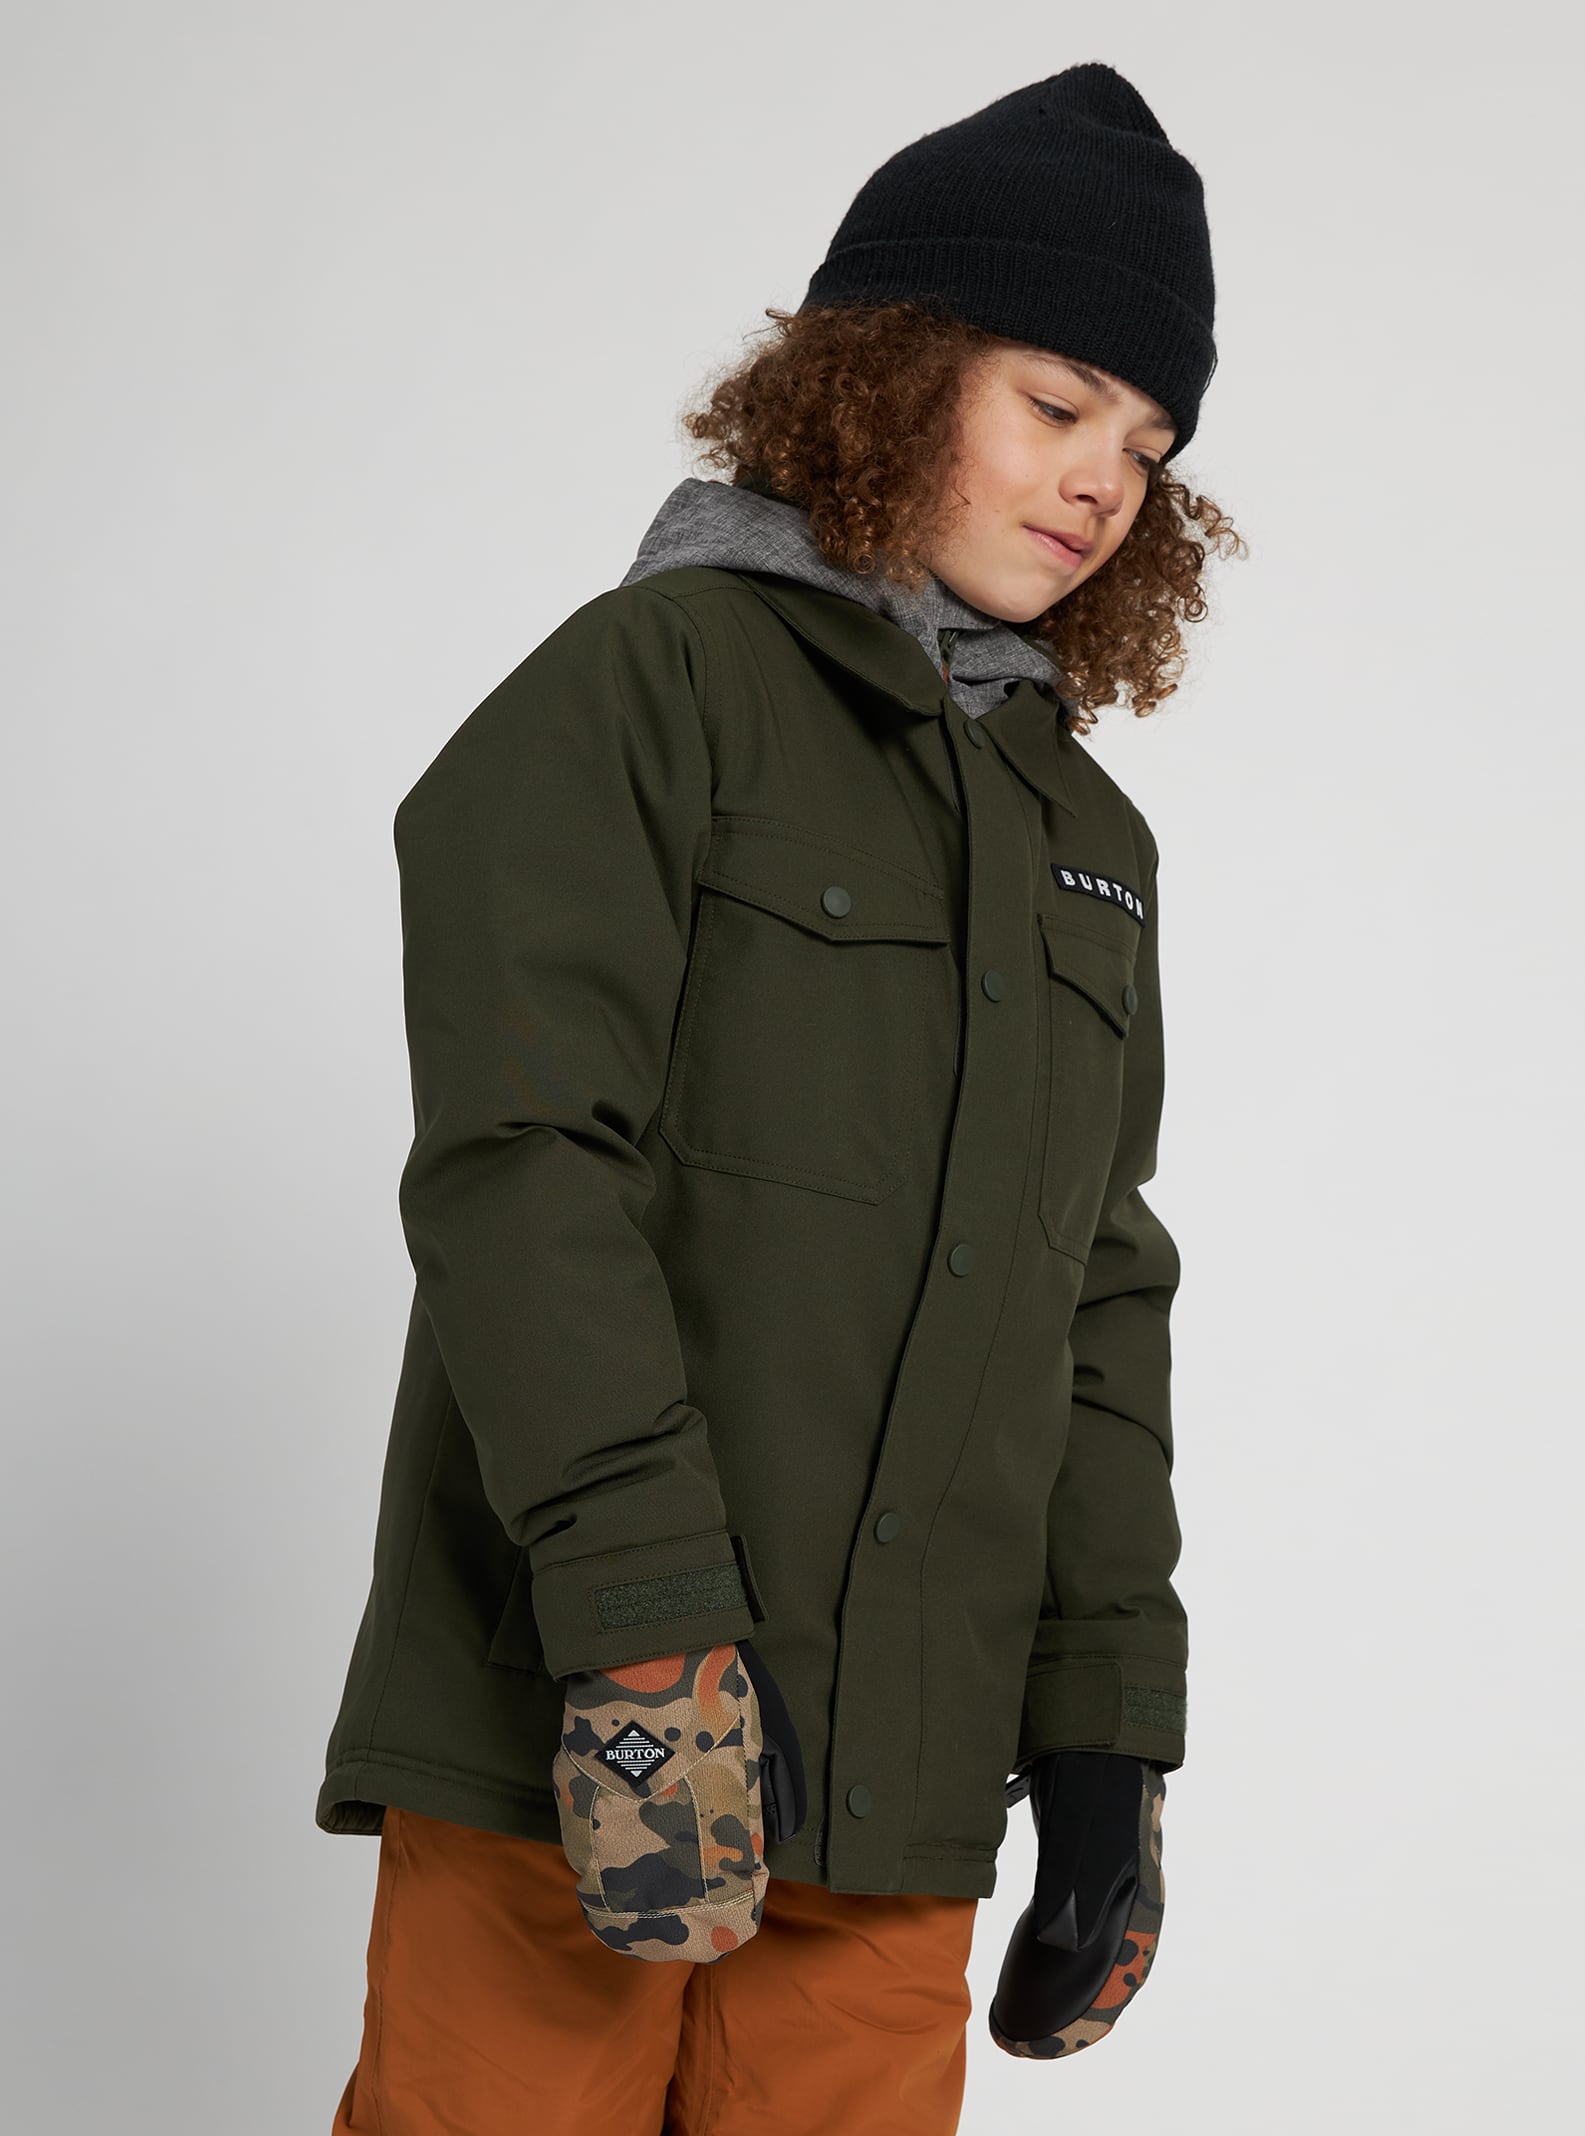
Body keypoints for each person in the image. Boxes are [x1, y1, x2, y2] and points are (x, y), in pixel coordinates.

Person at [318, 59, 1242, 2135]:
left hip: (901, 1770)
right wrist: (646, 1634)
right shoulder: (649, 686)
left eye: (1148, 446)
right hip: (593, 1715)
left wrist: (1107, 1733)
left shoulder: (1082, 834)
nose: (1102, 481)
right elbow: (519, 1165)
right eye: (1056, 402)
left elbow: (1097, 1286)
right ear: (886, 376)